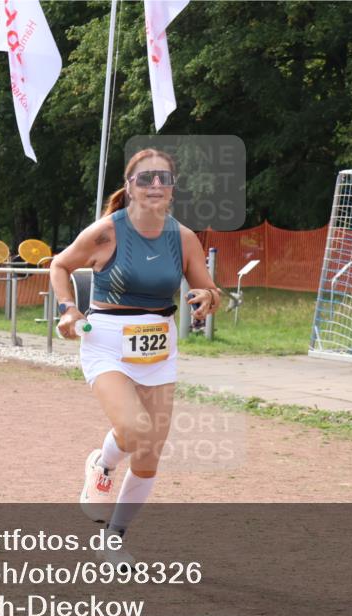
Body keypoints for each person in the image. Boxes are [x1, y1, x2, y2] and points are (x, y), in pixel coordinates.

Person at [48, 149, 220, 569]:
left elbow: (209, 287)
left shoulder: (183, 238)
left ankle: (113, 538)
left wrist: (208, 298)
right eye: (145, 179)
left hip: (159, 347)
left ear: (173, 189)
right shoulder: (107, 232)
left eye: (163, 178)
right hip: (107, 341)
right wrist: (69, 309)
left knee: (148, 455)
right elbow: (60, 265)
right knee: (135, 428)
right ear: (130, 187)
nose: (155, 185)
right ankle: (102, 463)